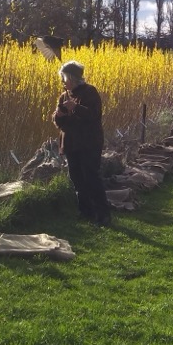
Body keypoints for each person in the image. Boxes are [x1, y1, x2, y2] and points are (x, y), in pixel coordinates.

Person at [52, 60, 112, 226]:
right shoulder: (64, 96)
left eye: (64, 78)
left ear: (72, 78)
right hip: (71, 144)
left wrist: (75, 108)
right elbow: (58, 122)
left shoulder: (90, 92)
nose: (63, 82)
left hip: (89, 143)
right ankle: (85, 211)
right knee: (77, 178)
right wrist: (59, 115)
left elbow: (94, 115)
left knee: (91, 177)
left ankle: (103, 214)